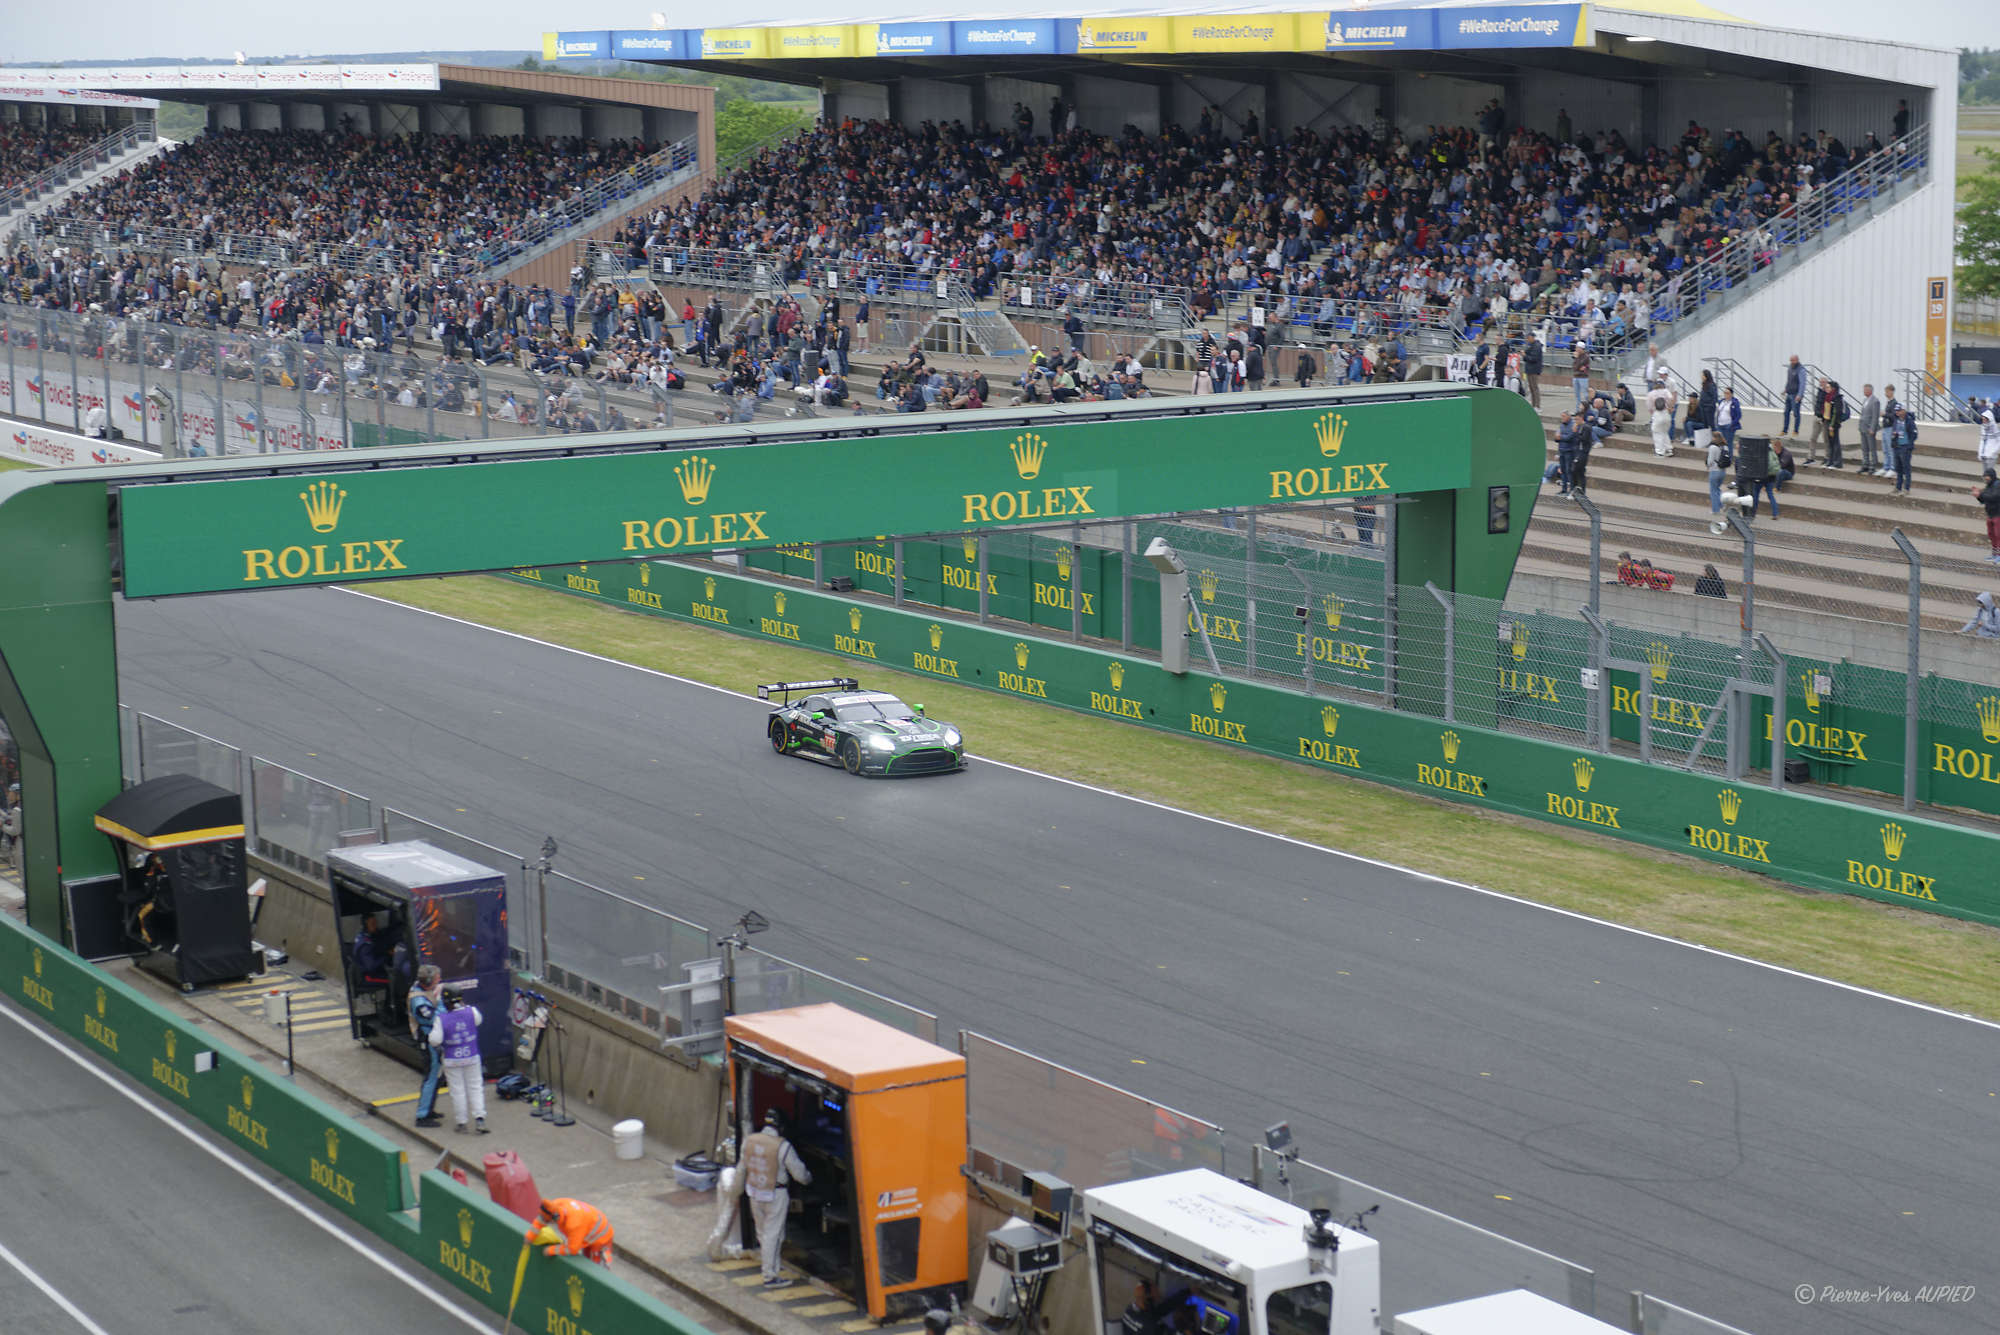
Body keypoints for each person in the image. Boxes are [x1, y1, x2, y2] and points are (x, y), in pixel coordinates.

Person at [740, 1108, 811, 1287]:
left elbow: (742, 1168)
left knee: (764, 1234)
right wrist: (810, 1179)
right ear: (781, 1126)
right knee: (773, 1234)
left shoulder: (749, 1140)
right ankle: (770, 1276)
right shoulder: (782, 1146)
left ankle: (773, 1268)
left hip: (753, 1191)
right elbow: (800, 1175)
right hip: (775, 1194)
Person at [428, 987, 488, 1134]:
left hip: (452, 1060)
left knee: (457, 1091)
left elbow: (434, 1040)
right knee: (475, 1087)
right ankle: (479, 1119)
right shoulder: (472, 1011)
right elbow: (479, 1021)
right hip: (472, 1057)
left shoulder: (441, 1019)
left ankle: (462, 1123)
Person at [407, 964, 444, 1129]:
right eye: (437, 979)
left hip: (433, 1038)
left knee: (436, 1076)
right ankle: (422, 1116)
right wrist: (443, 1004)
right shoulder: (418, 1000)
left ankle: (429, 1109)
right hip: (427, 1039)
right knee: (430, 1077)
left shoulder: (424, 990)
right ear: (429, 981)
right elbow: (433, 1018)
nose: (440, 981)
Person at [529, 1197, 615, 1266]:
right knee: (586, 1259)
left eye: (548, 1221)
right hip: (588, 1230)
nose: (545, 1222)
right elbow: (541, 1220)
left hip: (602, 1238)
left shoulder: (574, 1224)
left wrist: (551, 1250)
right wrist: (529, 1236)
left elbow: (572, 1249)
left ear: (555, 1218)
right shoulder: (555, 1205)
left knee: (596, 1267)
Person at [1885, 406, 1917, 494]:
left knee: (1906, 468)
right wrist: (1894, 438)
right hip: (1897, 447)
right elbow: (1894, 431)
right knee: (1898, 469)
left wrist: (1908, 445)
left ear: (1904, 411)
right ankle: (1898, 487)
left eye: (1899, 411)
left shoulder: (1909, 421)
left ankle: (1907, 488)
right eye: (1896, 411)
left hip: (1905, 447)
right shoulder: (1896, 420)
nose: (1897, 412)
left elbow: (1914, 434)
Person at [1818, 380, 1848, 468]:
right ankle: (1830, 461)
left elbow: (1836, 412)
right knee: (1830, 443)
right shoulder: (1827, 397)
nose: (1826, 389)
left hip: (1833, 424)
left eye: (1828, 387)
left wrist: (1832, 424)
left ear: (1833, 388)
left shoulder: (1837, 398)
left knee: (1835, 443)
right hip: (1827, 421)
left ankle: (1837, 462)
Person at [1857, 383, 1883, 476]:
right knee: (1864, 448)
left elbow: (1875, 416)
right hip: (1863, 427)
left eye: (1865, 390)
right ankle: (1865, 464)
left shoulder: (1875, 401)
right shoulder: (1865, 400)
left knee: (1872, 447)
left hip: (1869, 428)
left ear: (1870, 390)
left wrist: (1872, 428)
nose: (1864, 391)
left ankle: (1873, 465)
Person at [1977, 468, 2000, 565]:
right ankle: (1994, 554)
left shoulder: (1998, 485)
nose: (1985, 479)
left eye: (1987, 477)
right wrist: (1978, 496)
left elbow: (1994, 497)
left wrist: (1981, 494)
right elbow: (1983, 500)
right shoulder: (1988, 486)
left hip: (1998, 514)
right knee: (1991, 534)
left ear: (1991, 476)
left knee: (1998, 535)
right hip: (1990, 514)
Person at [1781, 355, 1805, 436]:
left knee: (1796, 413)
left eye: (1793, 360)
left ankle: (1796, 430)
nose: (1791, 362)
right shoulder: (1790, 368)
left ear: (1797, 360)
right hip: (1789, 393)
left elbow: (1802, 383)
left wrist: (1800, 395)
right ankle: (1784, 430)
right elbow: (1789, 380)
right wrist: (1785, 390)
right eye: (1790, 361)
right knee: (1786, 412)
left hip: (1796, 395)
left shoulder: (1801, 370)